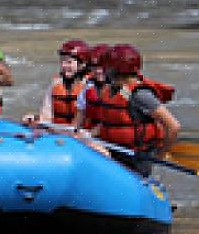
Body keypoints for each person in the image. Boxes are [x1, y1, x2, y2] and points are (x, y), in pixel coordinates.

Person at [97, 44, 179, 176]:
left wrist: (161, 154)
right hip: (114, 152)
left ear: (117, 70)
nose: (105, 71)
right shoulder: (112, 89)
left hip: (136, 158)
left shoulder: (140, 95)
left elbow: (173, 126)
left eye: (108, 68)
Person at [28, 39, 90, 125]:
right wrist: (35, 119)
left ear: (82, 64)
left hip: (81, 134)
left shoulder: (89, 86)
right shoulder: (56, 83)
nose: (64, 65)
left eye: (69, 62)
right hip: (58, 132)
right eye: (62, 61)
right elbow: (46, 114)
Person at [74, 43, 112, 129]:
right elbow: (78, 120)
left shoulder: (122, 90)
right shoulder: (87, 88)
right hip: (92, 138)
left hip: (113, 138)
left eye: (102, 66)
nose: (98, 71)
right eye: (94, 67)